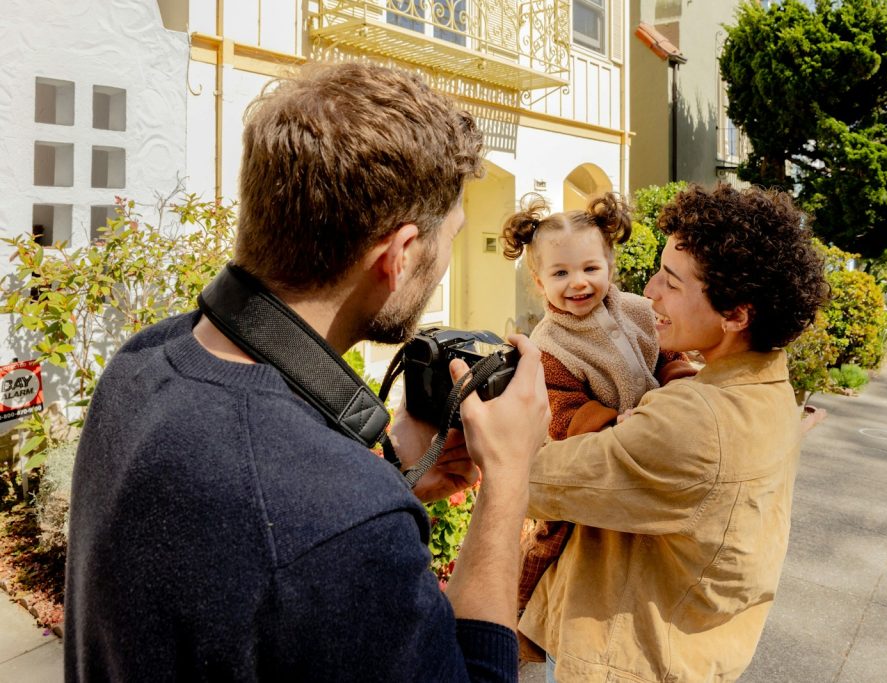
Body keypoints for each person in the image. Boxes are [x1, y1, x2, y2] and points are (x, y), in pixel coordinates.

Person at [64, 62, 550, 681]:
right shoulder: (341, 520)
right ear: (398, 256)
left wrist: (387, 486)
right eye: (450, 238)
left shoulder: (141, 364)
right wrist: (507, 479)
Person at [519, 183, 829, 682]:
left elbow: (529, 482)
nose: (649, 293)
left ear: (735, 314)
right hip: (696, 646)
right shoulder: (768, 383)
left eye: (671, 281)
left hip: (626, 659)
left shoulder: (692, 420)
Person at [500, 194, 692, 656]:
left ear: (609, 264)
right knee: (557, 547)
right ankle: (529, 632)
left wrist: (681, 382)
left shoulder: (639, 311)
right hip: (591, 457)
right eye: (560, 273)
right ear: (538, 280)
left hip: (650, 437)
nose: (578, 283)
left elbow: (667, 353)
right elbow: (563, 411)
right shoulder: (550, 345)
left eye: (590, 268)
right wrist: (610, 423)